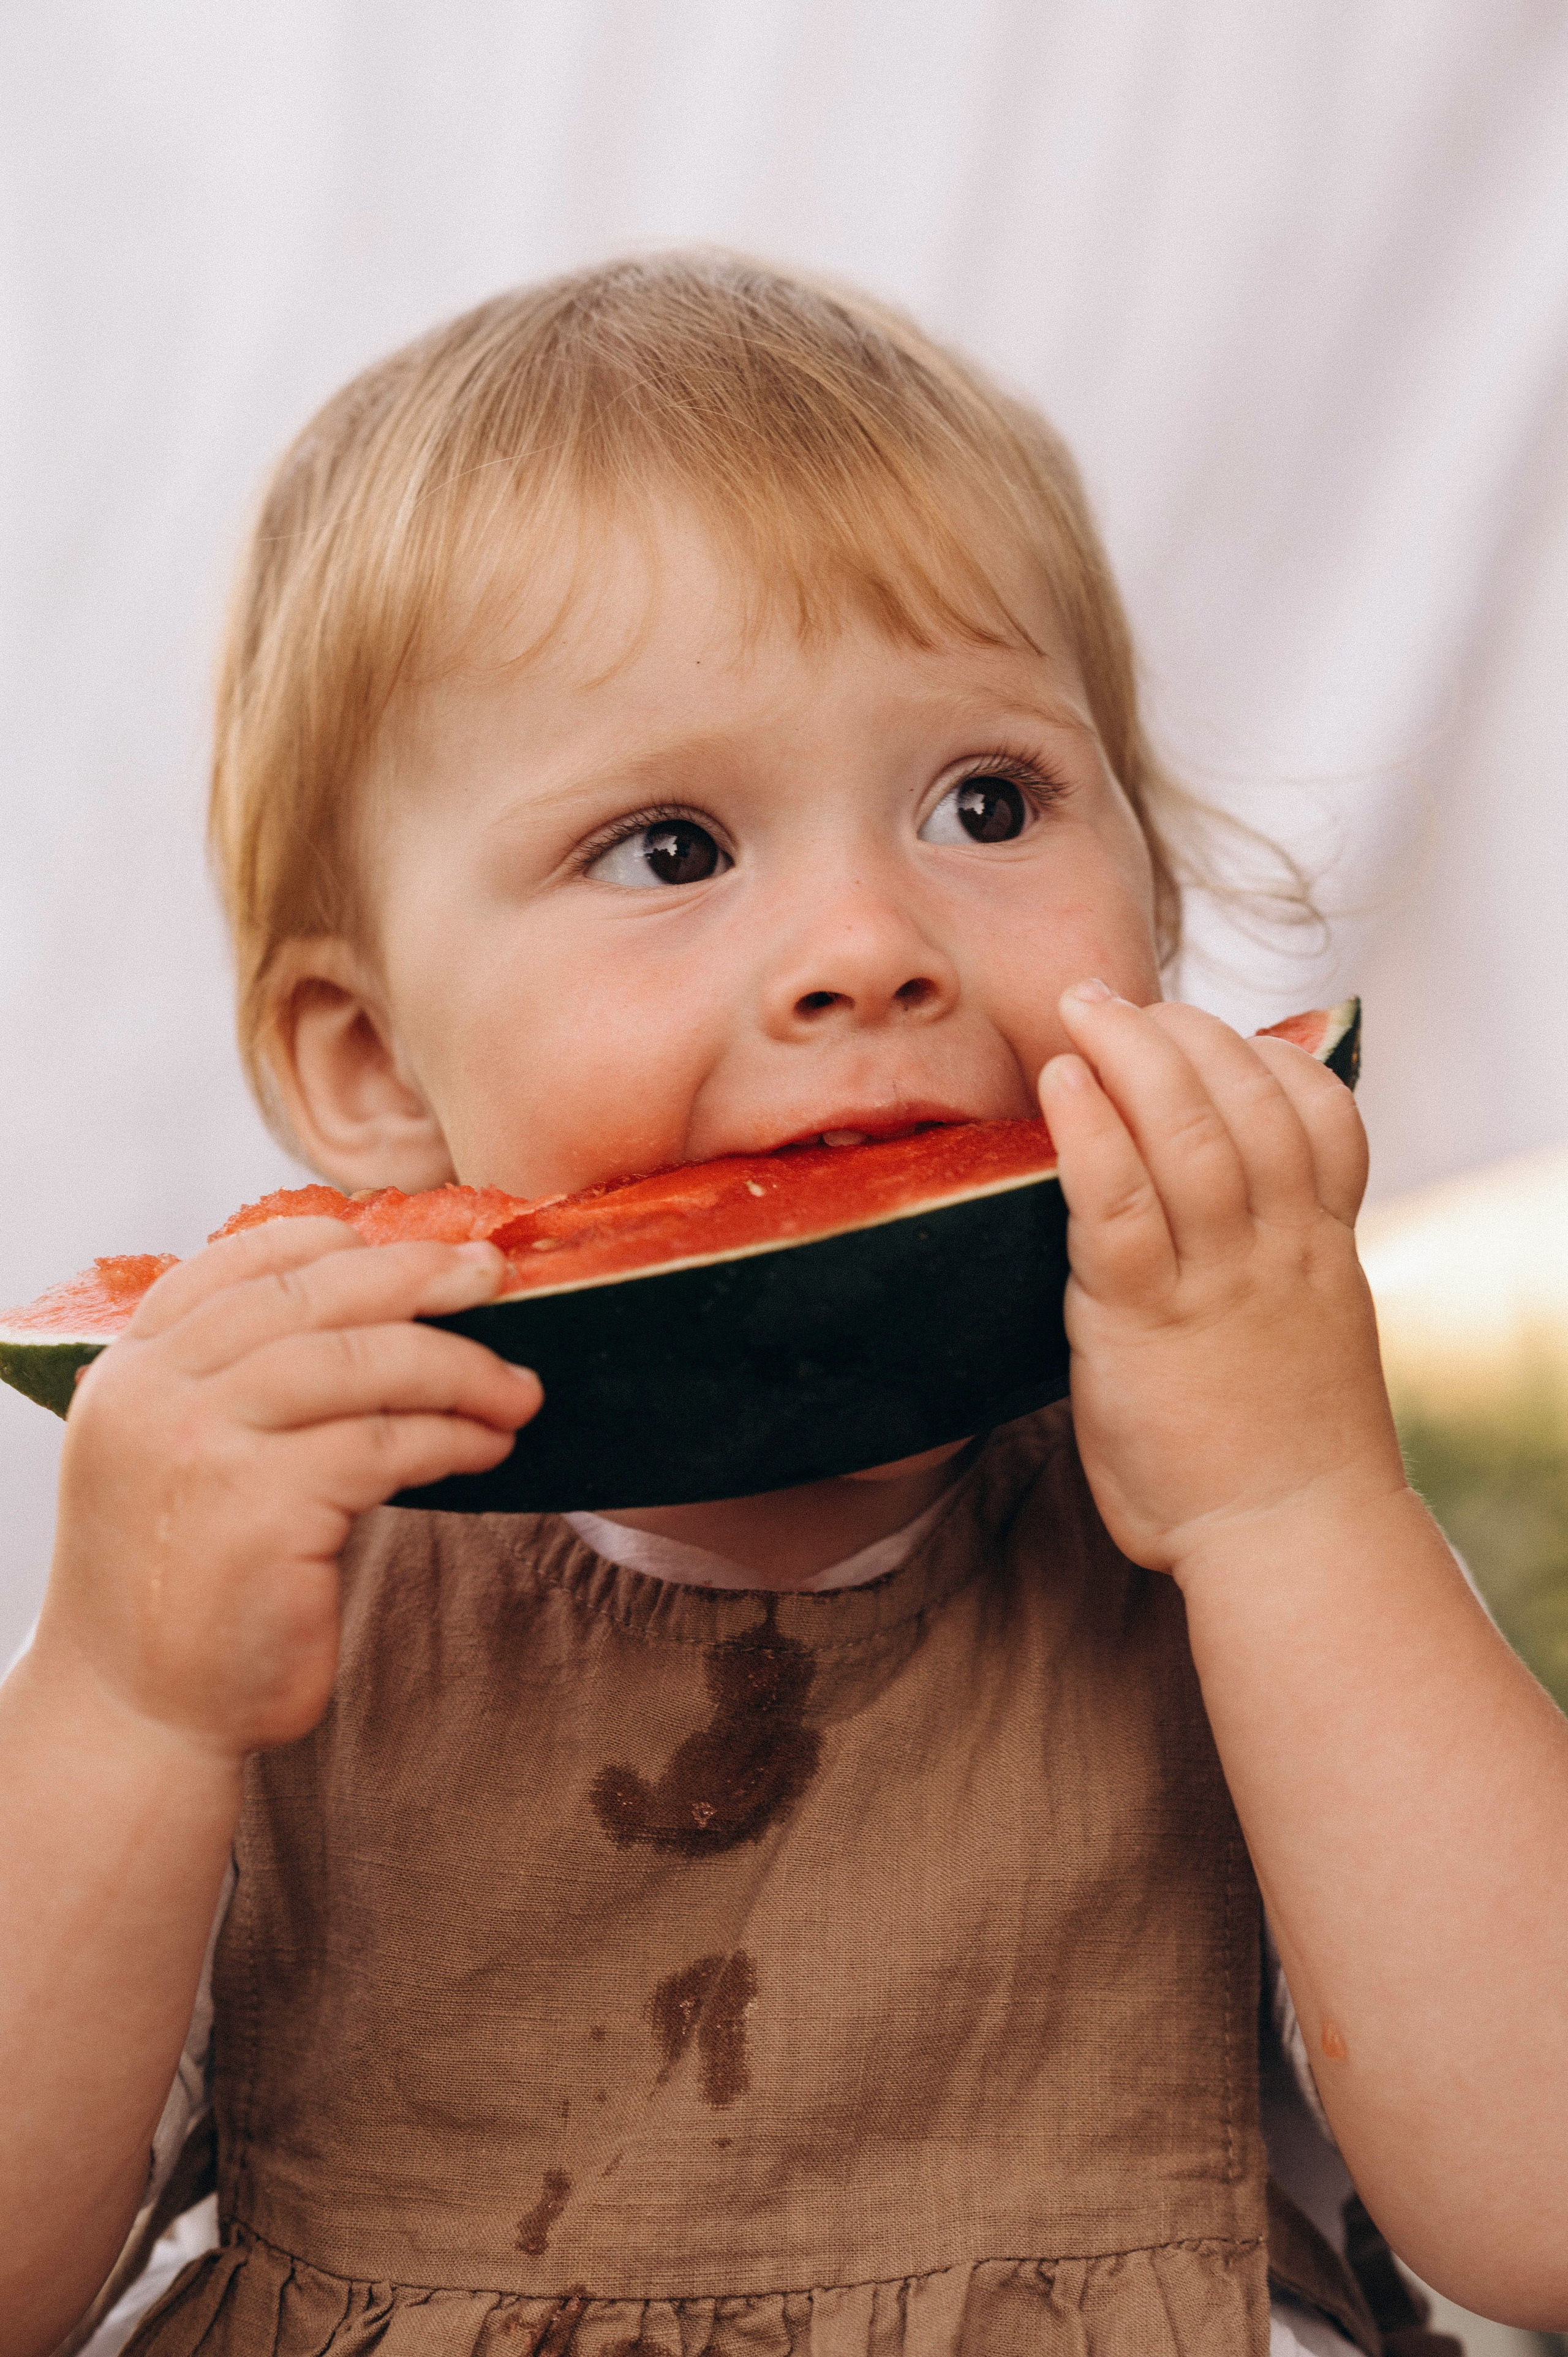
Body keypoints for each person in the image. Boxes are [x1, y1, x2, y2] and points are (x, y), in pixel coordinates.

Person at [2, 254, 1565, 2357]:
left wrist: (1297, 1513)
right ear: (367, 1062)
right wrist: (126, 1709)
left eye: (988, 804)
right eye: (669, 848)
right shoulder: (262, 1597)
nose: (867, 941)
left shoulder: (1237, 1533)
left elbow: (1543, 2214)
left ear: (1160, 907)